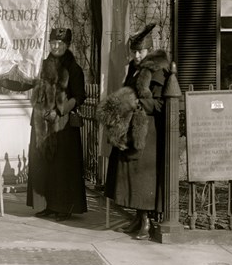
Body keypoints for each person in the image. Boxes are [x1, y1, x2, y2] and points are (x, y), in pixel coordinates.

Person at [101, 23, 170, 240]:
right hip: (132, 129)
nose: (137, 55)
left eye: (140, 51)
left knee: (144, 179)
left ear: (149, 50)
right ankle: (138, 218)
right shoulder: (134, 68)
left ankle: (146, 222)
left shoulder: (158, 71)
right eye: (134, 51)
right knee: (131, 176)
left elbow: (161, 105)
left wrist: (136, 104)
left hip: (148, 134)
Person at [27, 28, 88, 221]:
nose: (56, 46)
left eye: (60, 44)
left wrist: (60, 110)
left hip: (63, 126)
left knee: (63, 167)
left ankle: (64, 207)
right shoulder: (41, 66)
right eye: (53, 43)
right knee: (44, 166)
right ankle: (48, 205)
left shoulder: (74, 69)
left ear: (67, 45)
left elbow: (79, 96)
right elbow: (28, 82)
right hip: (41, 123)